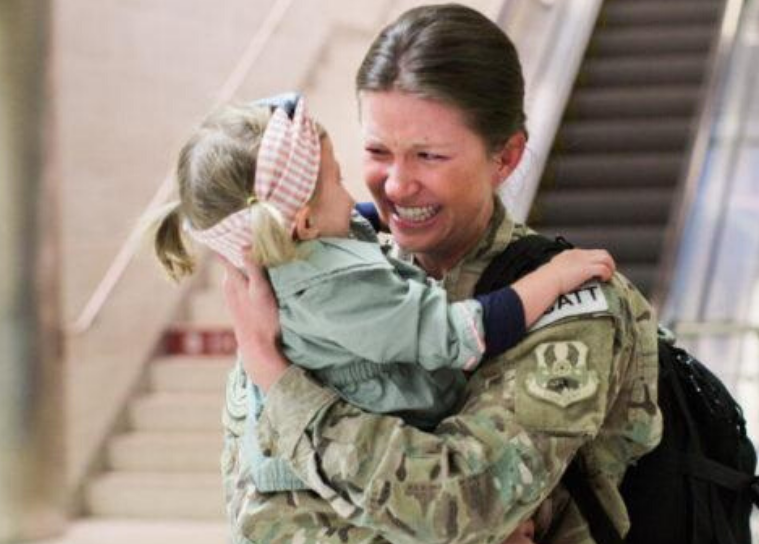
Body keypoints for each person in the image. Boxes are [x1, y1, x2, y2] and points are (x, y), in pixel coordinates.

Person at [223, 4, 663, 544]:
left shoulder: (570, 304)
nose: (398, 184)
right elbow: (260, 520)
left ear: (505, 156)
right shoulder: (326, 284)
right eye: (378, 152)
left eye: (429, 155)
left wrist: (277, 379)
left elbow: (460, 504)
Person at [153, 96, 616, 494]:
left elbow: (350, 218)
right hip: (395, 445)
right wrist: (554, 277)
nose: (356, 190)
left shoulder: (288, 248)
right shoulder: (337, 290)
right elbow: (458, 334)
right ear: (305, 223)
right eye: (336, 180)